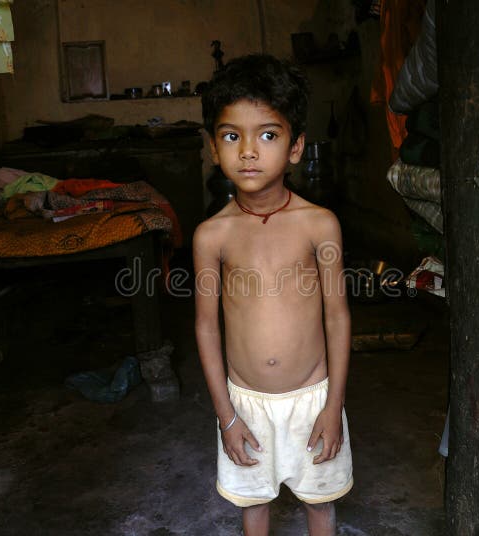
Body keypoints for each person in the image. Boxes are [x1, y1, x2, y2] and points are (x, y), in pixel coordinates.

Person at [193, 54, 353, 536]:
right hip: (245, 405)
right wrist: (226, 417)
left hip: (314, 398)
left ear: (296, 146)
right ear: (213, 147)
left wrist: (333, 406)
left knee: (320, 506)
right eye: (230, 135)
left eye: (267, 134)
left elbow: (337, 317)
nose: (247, 151)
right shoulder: (211, 236)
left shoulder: (319, 224)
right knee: (253, 506)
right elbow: (205, 325)